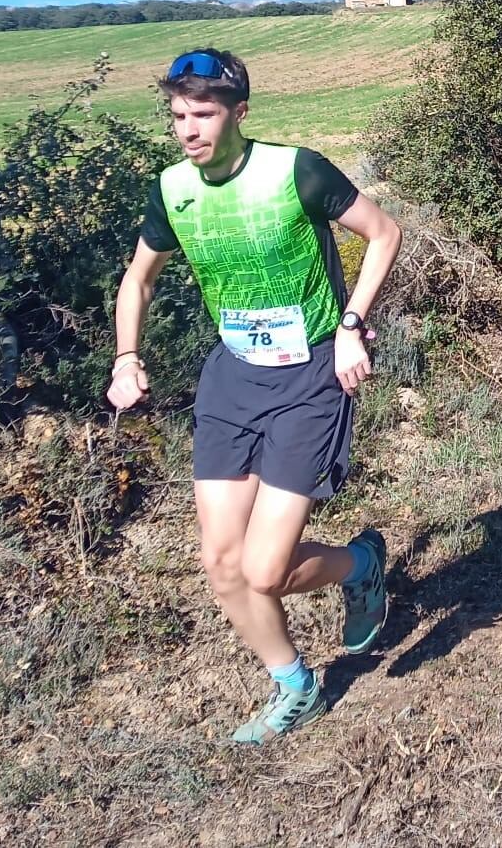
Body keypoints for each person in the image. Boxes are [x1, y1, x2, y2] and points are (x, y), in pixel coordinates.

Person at [107, 49, 404, 745]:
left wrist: (353, 327)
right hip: (232, 379)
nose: (188, 129)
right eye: (178, 115)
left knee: (264, 570)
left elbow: (384, 233)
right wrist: (127, 356)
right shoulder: (172, 189)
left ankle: (361, 563)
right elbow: (138, 279)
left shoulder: (294, 170)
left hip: (310, 378)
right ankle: (296, 687)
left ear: (239, 113)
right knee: (222, 567)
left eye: (203, 114)